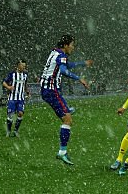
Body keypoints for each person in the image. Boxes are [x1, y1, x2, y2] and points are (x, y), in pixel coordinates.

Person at [39, 35, 92, 165]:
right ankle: (62, 152)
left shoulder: (55, 52)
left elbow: (67, 65)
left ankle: (66, 109)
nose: (73, 48)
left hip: (47, 90)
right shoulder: (62, 54)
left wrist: (83, 63)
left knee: (66, 114)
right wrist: (79, 79)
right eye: (72, 45)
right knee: (68, 120)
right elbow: (63, 70)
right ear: (66, 45)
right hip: (52, 91)